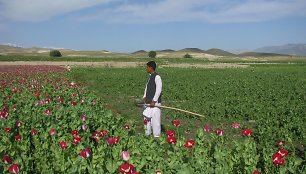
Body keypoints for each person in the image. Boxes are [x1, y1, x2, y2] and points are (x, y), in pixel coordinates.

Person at [142, 61, 162, 138]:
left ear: (151, 67)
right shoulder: (150, 77)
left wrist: (154, 101)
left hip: (155, 104)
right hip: (148, 103)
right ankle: (147, 134)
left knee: (155, 121)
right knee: (147, 119)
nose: (146, 68)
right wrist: (144, 97)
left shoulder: (157, 77)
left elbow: (158, 90)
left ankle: (156, 137)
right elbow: (147, 88)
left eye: (147, 67)